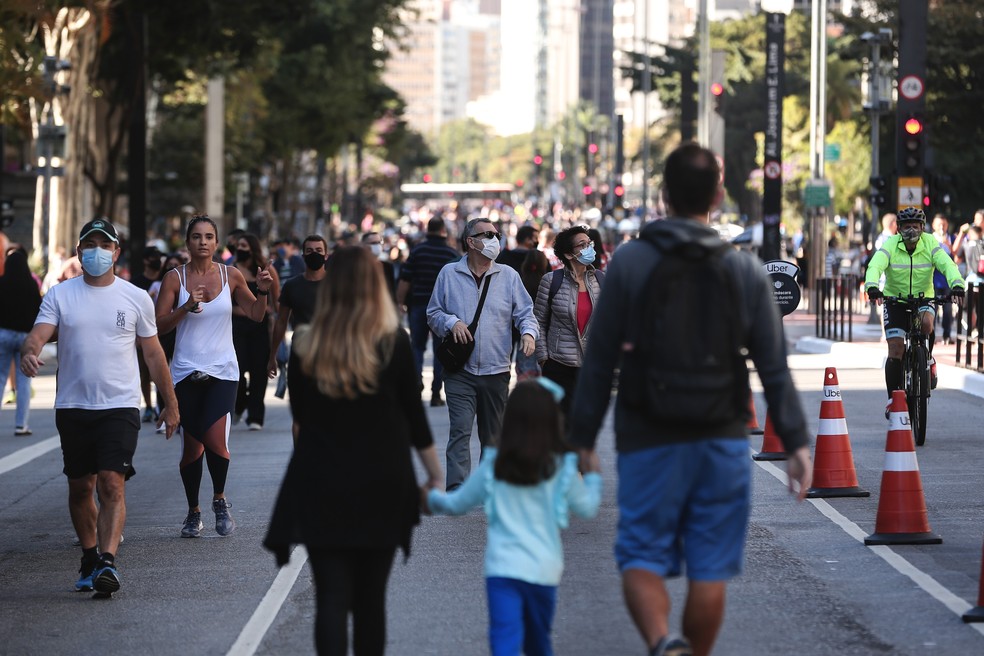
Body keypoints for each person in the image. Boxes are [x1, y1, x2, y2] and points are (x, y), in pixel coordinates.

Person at [567, 144, 813, 656]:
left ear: (663, 196)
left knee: (640, 558)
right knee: (710, 567)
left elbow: (599, 356)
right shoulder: (744, 270)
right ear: (719, 196)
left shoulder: (631, 261)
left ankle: (662, 642)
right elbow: (773, 366)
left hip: (646, 433)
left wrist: (582, 437)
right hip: (721, 435)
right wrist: (795, 442)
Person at [264, 247, 443, 656]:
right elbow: (415, 421)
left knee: (331, 596)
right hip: (383, 481)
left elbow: (303, 416)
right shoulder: (393, 343)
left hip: (323, 480)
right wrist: (434, 476)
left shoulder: (308, 346)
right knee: (370, 601)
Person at [20, 217, 180, 595]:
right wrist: (30, 352)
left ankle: (107, 563)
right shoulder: (60, 295)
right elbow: (37, 335)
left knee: (112, 484)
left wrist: (170, 404)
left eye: (104, 245)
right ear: (79, 252)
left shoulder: (136, 297)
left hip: (120, 406)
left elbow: (154, 354)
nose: (96, 252)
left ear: (116, 252)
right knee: (80, 488)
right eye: (89, 245)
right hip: (74, 406)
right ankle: (89, 556)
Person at [427, 379, 602, 656]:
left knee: (504, 641)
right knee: (538, 642)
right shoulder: (561, 469)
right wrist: (592, 475)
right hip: (543, 571)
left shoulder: (494, 465)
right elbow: (587, 508)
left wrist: (431, 498)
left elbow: (458, 504)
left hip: (503, 569)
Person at [156, 215, 273, 538]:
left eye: (209, 236)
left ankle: (220, 500)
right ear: (187, 242)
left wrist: (262, 291)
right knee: (191, 450)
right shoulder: (173, 279)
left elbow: (255, 315)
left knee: (216, 441)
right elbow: (158, 325)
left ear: (217, 243)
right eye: (196, 236)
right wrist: (185, 309)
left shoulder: (231, 275)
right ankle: (194, 511)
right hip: (184, 372)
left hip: (223, 370)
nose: (203, 242)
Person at [427, 217, 540, 490]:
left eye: (496, 234)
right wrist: (451, 323)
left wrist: (528, 333)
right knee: (460, 431)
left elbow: (526, 312)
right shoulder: (449, 274)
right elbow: (433, 313)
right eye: (487, 234)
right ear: (470, 241)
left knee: (492, 437)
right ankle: (456, 487)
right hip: (459, 370)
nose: (494, 239)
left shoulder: (509, 276)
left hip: (496, 369)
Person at [865, 206, 965, 406]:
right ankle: (893, 400)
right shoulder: (891, 244)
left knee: (927, 325)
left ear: (922, 227)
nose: (912, 230)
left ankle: (926, 359)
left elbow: (947, 264)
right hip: (895, 301)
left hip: (923, 299)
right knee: (895, 348)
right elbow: (875, 265)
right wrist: (872, 286)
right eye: (907, 226)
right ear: (899, 229)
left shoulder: (930, 243)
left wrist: (957, 284)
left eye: (916, 226)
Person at [533, 226, 603, 419]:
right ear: (568, 254)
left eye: (590, 243)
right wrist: (543, 357)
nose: (589, 248)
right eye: (582, 245)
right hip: (558, 365)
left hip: (590, 365)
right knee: (562, 422)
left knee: (585, 421)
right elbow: (538, 320)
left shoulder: (600, 280)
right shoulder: (551, 280)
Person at [266, 234, 329, 443]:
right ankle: (303, 461)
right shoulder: (292, 286)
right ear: (302, 255)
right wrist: (273, 355)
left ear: (326, 255)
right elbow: (281, 322)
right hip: (300, 358)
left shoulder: (336, 285)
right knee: (300, 414)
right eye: (309, 251)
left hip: (332, 358)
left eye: (318, 251)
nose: (314, 255)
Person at [395, 217, 461, 406]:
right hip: (442, 310)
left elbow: (405, 279)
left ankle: (416, 386)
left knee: (417, 347)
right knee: (440, 350)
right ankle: (435, 393)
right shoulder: (450, 253)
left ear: (428, 230)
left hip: (418, 305)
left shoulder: (417, 251)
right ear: (442, 230)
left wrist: (400, 301)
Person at [231, 232, 280, 430]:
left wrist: (276, 324)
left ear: (253, 248)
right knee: (237, 369)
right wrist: (243, 310)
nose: (240, 249)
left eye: (244, 245)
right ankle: (240, 403)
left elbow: (276, 302)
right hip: (236, 328)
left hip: (260, 328)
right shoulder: (231, 271)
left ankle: (256, 417)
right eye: (238, 246)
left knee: (260, 372)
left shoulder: (268, 270)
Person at [0, 249, 42, 435]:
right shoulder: (31, 285)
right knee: (24, 380)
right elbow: (39, 311)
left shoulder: (1, 283)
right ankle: (21, 425)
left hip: (3, 334)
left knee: (0, 378)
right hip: (25, 337)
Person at [131, 246, 165, 423]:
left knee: (162, 369)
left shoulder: (166, 279)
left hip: (163, 332)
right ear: (145, 260)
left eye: (159, 256)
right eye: (153, 257)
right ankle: (149, 407)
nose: (157, 260)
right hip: (142, 333)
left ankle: (163, 404)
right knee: (145, 372)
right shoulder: (136, 283)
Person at [931, 214, 955, 344]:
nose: (942, 227)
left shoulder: (951, 238)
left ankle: (947, 335)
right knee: (932, 309)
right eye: (939, 224)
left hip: (947, 281)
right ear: (934, 225)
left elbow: (956, 256)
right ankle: (931, 335)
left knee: (947, 309)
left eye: (944, 224)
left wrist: (948, 244)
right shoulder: (929, 239)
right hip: (933, 280)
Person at [362, 231, 397, 301]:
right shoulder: (359, 267)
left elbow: (392, 291)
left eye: (379, 242)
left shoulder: (387, 267)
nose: (377, 245)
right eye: (374, 243)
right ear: (364, 245)